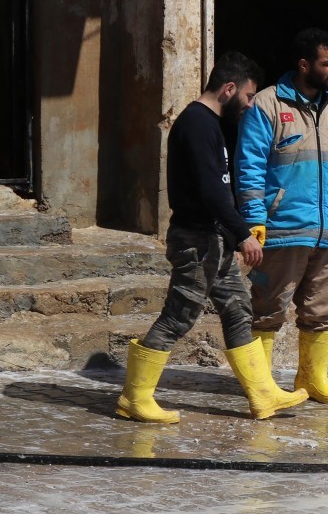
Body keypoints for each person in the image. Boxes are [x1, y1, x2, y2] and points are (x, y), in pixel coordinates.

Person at [116, 52, 309, 423]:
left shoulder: (208, 124)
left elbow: (217, 187)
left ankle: (262, 394)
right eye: (249, 96)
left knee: (238, 308)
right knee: (178, 317)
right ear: (229, 88)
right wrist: (242, 234)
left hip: (213, 239)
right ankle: (134, 397)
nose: (251, 105)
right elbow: (211, 191)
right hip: (197, 240)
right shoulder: (197, 124)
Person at [236, 28, 328, 406]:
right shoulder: (266, 106)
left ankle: (313, 379)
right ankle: (260, 386)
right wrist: (255, 218)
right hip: (282, 230)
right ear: (304, 65)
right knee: (267, 311)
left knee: (321, 311)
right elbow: (249, 167)